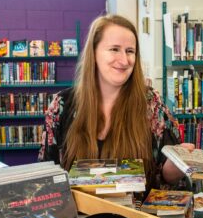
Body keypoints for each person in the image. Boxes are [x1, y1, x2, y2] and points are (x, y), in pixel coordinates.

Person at [39, 14, 193, 188]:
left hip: (137, 214)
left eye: (130, 51)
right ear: (93, 52)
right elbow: (48, 179)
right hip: (82, 215)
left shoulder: (152, 104)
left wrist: (176, 166)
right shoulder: (61, 106)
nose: (124, 60)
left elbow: (167, 181)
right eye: (114, 49)